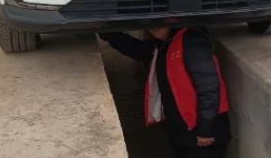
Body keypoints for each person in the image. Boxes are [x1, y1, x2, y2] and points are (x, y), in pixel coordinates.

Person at [98, 27, 231, 158]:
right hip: (187, 134)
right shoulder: (164, 45)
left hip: (203, 136)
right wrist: (110, 34)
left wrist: (205, 131)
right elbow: (137, 49)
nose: (154, 27)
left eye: (159, 21)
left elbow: (209, 88)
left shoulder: (192, 40)